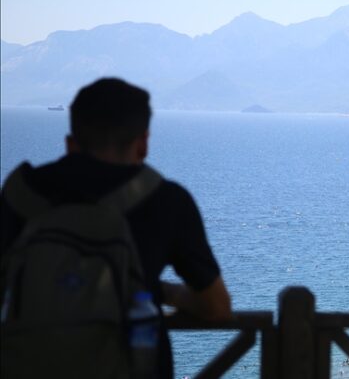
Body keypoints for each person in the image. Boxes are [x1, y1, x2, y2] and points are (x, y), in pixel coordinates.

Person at [0, 78, 232, 378]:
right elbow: (216, 306)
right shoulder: (166, 200)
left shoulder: (18, 193)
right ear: (143, 144)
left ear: (70, 144)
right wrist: (163, 292)